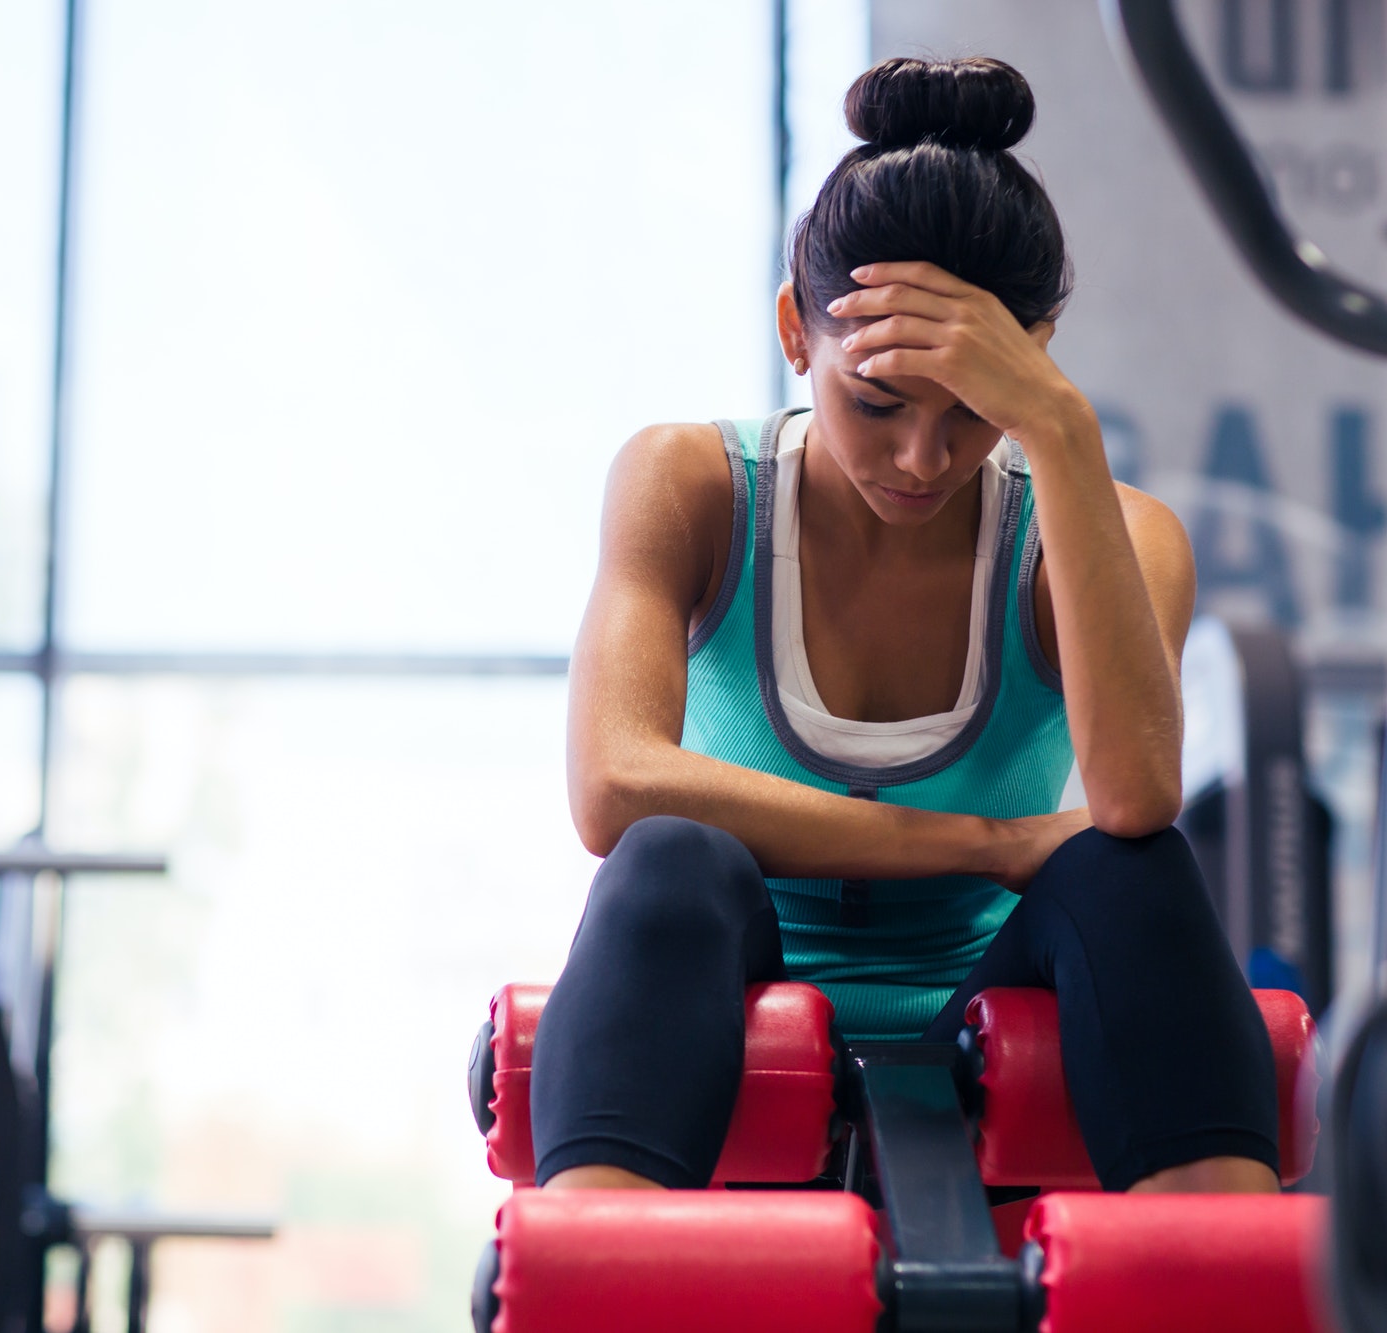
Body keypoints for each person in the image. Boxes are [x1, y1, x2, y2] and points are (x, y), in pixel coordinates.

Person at [532, 55, 1280, 1197]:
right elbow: (613, 787)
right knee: (668, 858)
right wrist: (980, 845)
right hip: (724, 989)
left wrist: (1061, 432)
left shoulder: (1111, 532)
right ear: (796, 330)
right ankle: (602, 1270)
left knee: (1128, 871)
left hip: (999, 990)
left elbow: (1130, 799)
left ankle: (1211, 1281)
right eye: (875, 401)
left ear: (1035, 358)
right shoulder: (687, 484)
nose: (921, 459)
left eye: (976, 409)